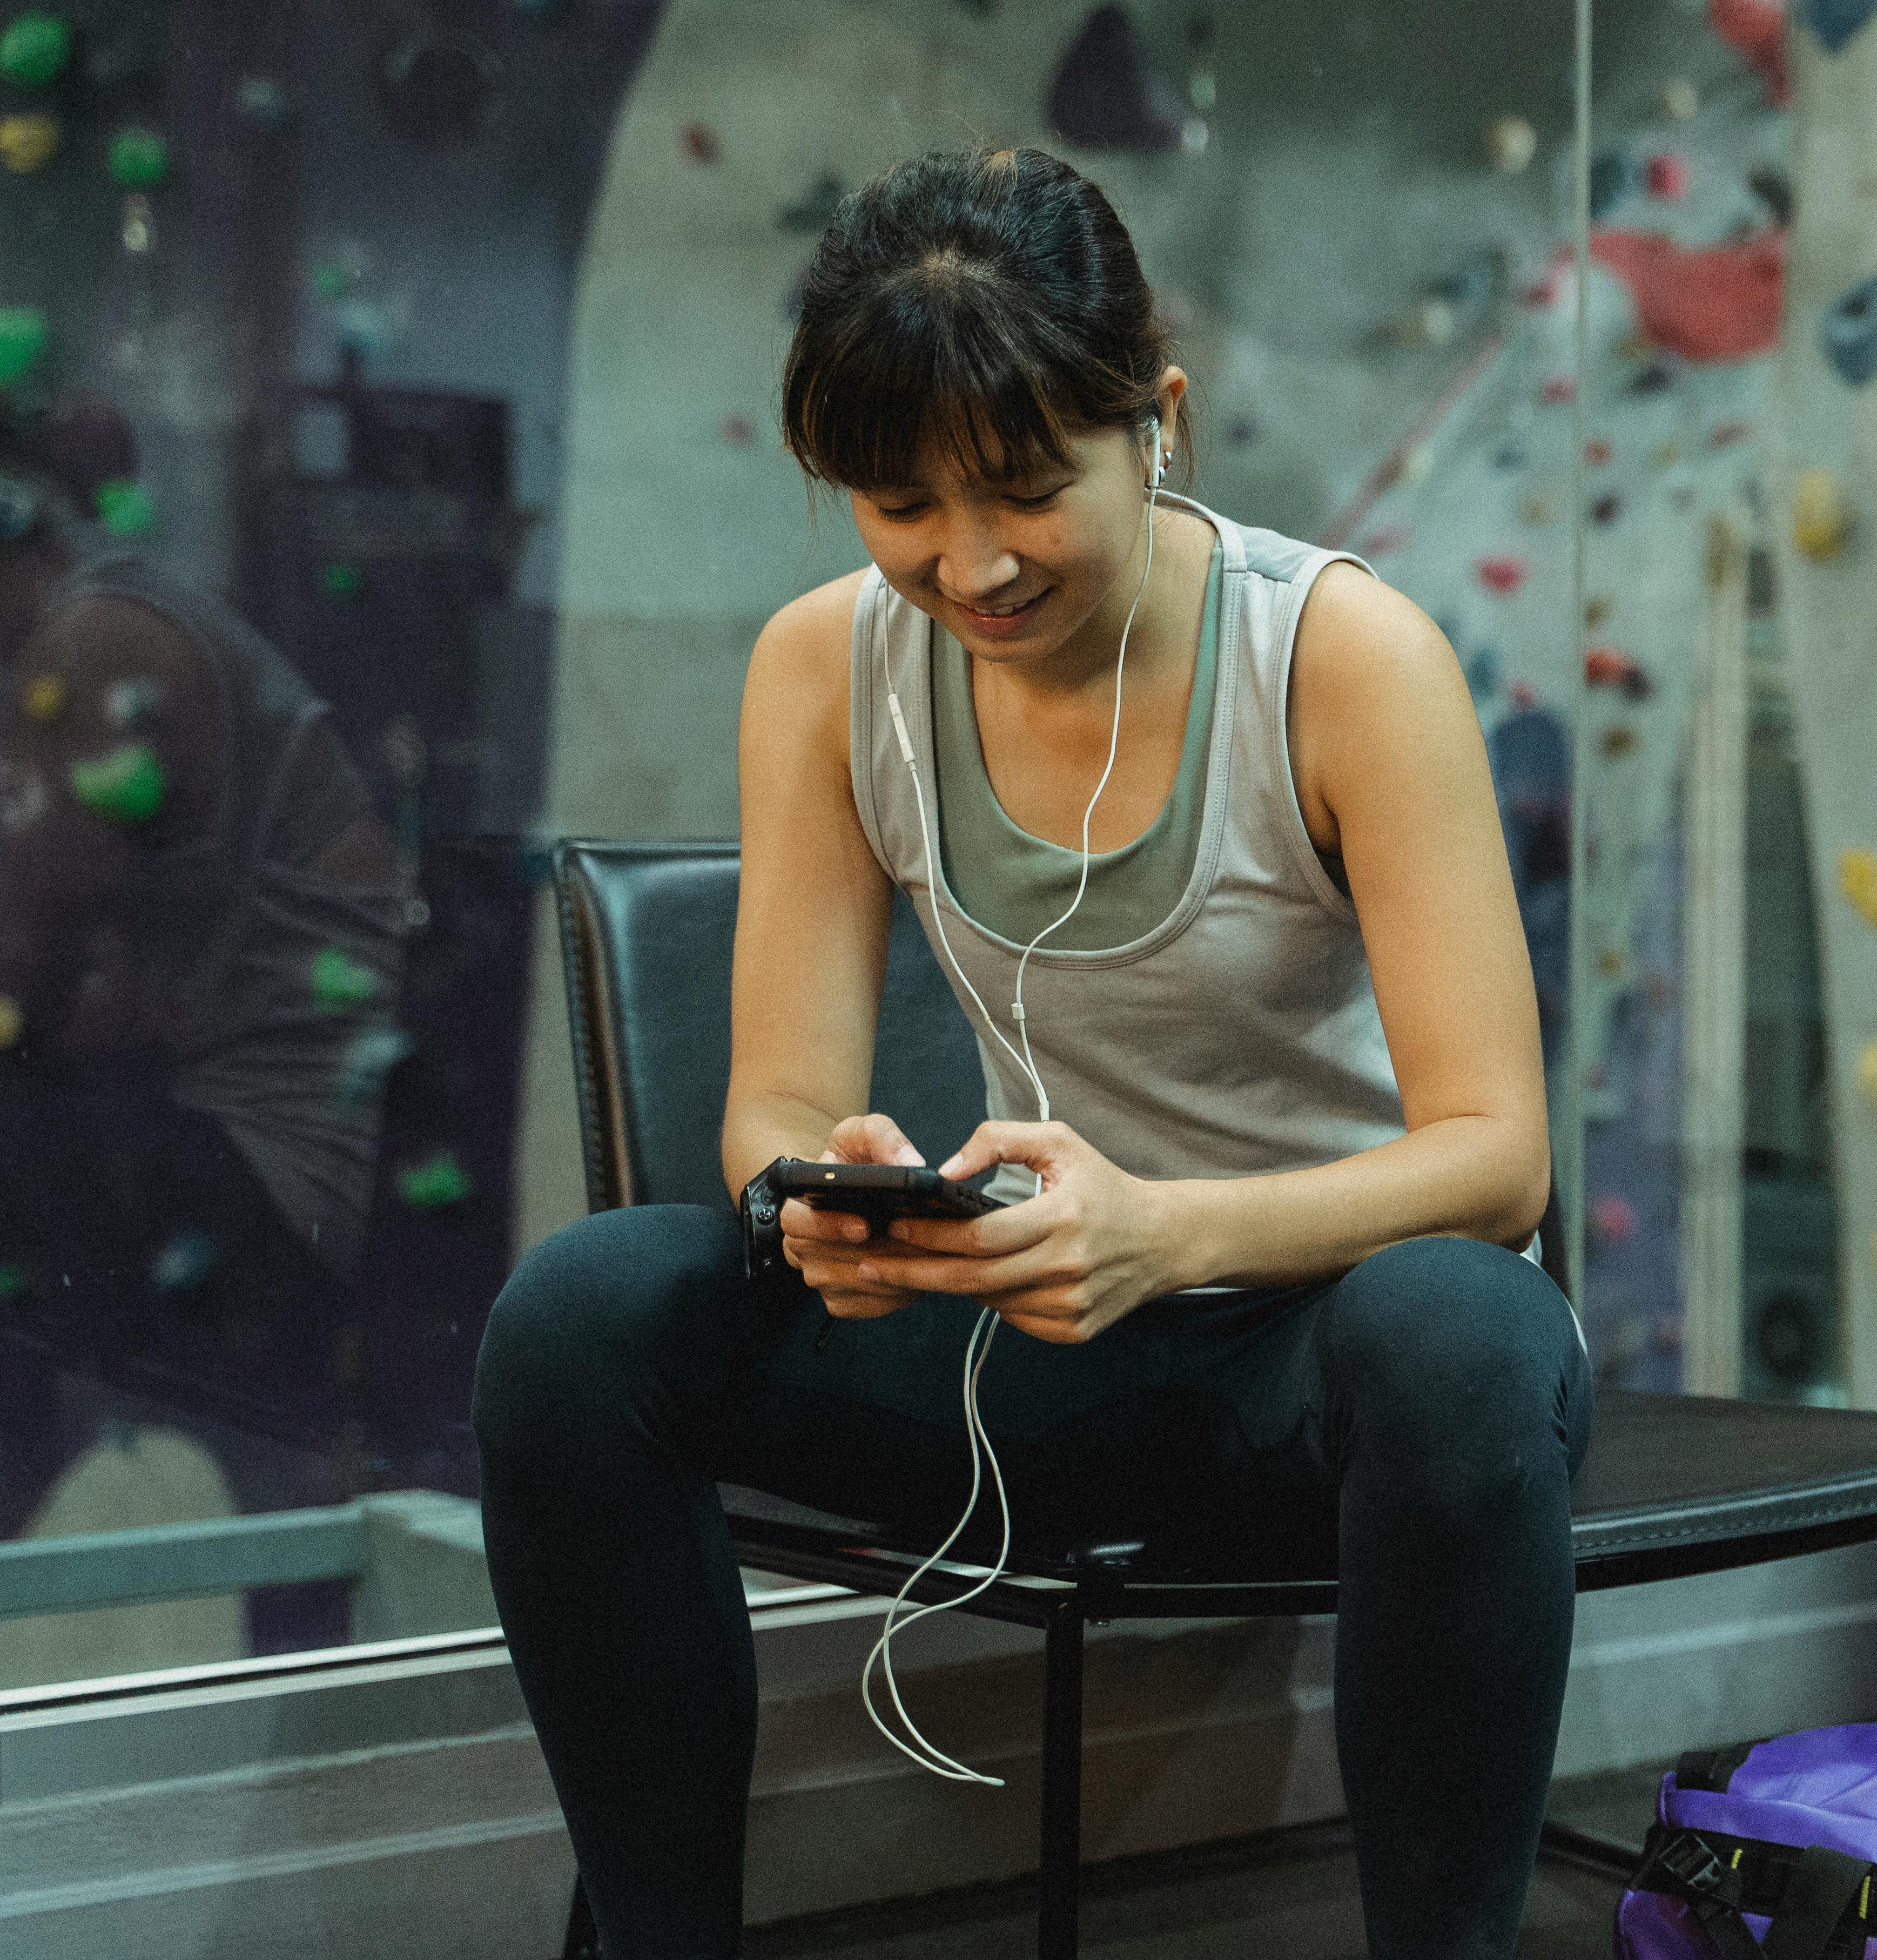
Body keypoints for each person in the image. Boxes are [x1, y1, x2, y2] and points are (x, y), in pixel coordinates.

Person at [473, 146, 1586, 1960]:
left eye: (1023, 491)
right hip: (1037, 1345)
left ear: (1157, 419)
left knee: (1459, 1328)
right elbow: (771, 1099)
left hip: (1318, 1365)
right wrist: (830, 1208)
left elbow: (1496, 1159)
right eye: (899, 504)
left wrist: (1171, 1231)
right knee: (586, 1317)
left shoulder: (1341, 660)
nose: (970, 564)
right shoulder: (827, 670)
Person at [0, 413, 413, 1597]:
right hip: (214, 1148)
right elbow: (90, 993)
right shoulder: (72, 640)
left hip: (273, 1165)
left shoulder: (100, 645)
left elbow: (19, 965)